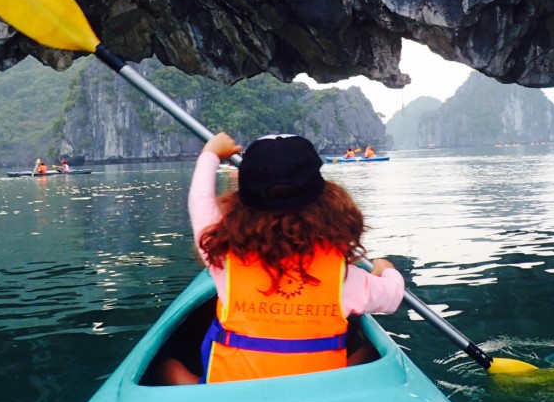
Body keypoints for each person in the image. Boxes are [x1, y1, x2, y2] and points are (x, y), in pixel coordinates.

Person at [158, 132, 404, 385]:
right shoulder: (344, 277)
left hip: (228, 397)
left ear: (241, 201)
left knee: (167, 364)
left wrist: (210, 154)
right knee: (367, 352)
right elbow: (392, 296)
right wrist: (386, 269)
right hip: (314, 395)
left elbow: (200, 204)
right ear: (326, 200)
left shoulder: (223, 260)